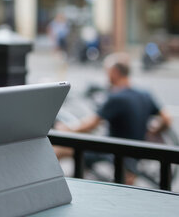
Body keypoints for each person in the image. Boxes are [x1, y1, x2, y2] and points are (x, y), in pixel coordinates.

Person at [55, 52, 172, 184]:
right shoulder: (145, 94)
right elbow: (167, 118)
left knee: (58, 149)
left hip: (113, 150)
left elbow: (90, 125)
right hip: (137, 152)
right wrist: (155, 130)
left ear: (115, 72)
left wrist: (67, 129)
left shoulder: (117, 98)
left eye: (107, 71)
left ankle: (54, 186)